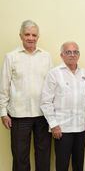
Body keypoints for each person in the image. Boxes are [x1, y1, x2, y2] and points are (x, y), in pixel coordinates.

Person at [0, 20, 52, 171]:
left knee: (43, 155)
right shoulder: (11, 57)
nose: (31, 38)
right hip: (18, 114)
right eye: (27, 34)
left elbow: (51, 86)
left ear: (38, 37)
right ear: (21, 36)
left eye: (34, 35)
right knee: (20, 156)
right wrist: (3, 112)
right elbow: (4, 87)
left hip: (43, 114)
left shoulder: (46, 57)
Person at [40, 41, 85, 171]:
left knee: (78, 164)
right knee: (62, 165)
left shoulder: (84, 74)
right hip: (62, 129)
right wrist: (54, 125)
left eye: (75, 52)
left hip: (81, 128)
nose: (72, 55)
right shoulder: (54, 73)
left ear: (79, 55)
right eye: (68, 52)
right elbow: (45, 101)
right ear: (62, 55)